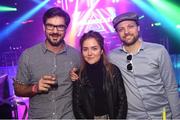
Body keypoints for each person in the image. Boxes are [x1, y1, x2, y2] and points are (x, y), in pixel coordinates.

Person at [109, 12, 180, 119]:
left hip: (162, 115)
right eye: (121, 29)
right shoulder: (112, 57)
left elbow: (171, 88)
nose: (126, 32)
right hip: (132, 117)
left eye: (130, 26)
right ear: (117, 33)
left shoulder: (158, 51)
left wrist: (176, 117)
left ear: (138, 28)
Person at [13, 7, 80, 119]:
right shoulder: (28, 55)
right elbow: (18, 89)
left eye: (60, 27)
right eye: (50, 26)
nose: (55, 31)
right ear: (44, 27)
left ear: (66, 29)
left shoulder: (76, 56)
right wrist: (35, 88)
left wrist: (78, 80)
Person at [71, 30, 127, 119]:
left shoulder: (113, 71)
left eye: (94, 48)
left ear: (101, 51)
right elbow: (77, 107)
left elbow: (122, 102)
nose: (89, 53)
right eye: (85, 49)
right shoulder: (78, 75)